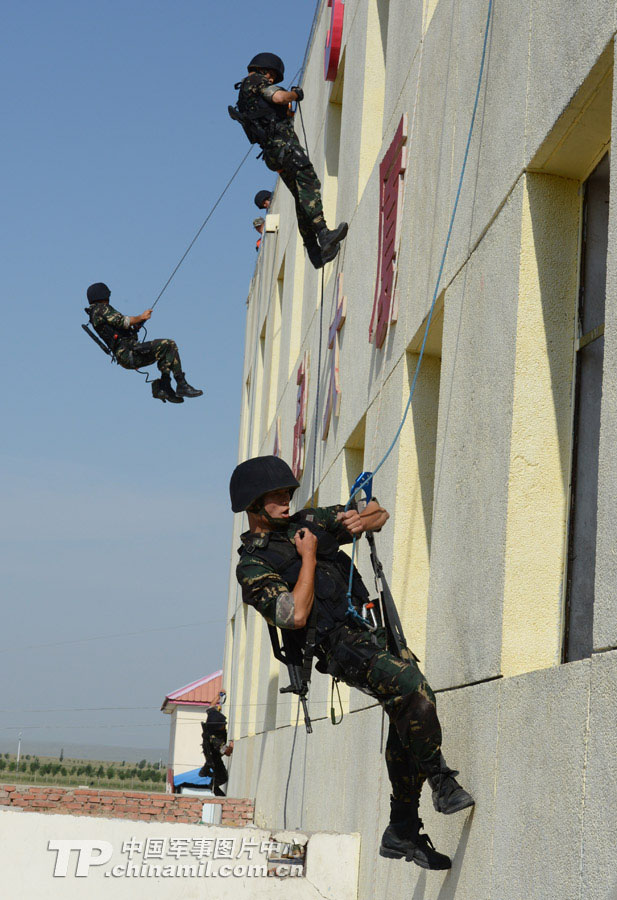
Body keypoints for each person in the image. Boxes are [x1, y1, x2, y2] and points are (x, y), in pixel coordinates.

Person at [230, 456, 474, 871]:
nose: (286, 500)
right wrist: (307, 556)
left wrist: (366, 519)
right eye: (275, 496)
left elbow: (376, 513)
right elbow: (295, 614)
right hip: (337, 645)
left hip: (371, 630)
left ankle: (401, 830)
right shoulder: (253, 566)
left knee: (407, 711)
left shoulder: (308, 520)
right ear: (253, 504)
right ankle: (440, 781)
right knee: (414, 689)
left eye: (288, 492)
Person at [230, 53, 347, 270]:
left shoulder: (244, 95)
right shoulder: (256, 81)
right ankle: (324, 234)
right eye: (271, 75)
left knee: (301, 195)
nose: (272, 80)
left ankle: (315, 251)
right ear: (263, 69)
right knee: (309, 182)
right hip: (283, 147)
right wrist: (294, 94)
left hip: (273, 154)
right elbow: (278, 98)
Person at [84, 282, 203, 404]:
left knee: (164, 351)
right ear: (104, 296)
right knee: (169, 344)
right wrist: (141, 317)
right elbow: (122, 321)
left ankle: (165, 387)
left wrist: (136, 326)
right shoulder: (101, 308)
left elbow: (119, 330)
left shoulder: (94, 314)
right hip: (129, 352)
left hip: (125, 355)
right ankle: (181, 384)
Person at [199, 703, 233, 796]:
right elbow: (227, 752)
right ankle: (212, 786)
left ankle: (205, 770)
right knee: (223, 778)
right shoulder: (215, 739)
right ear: (216, 728)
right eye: (222, 725)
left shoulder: (212, 715)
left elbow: (210, 707)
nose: (224, 726)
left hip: (210, 754)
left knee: (212, 764)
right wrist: (231, 746)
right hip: (214, 758)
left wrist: (219, 695)